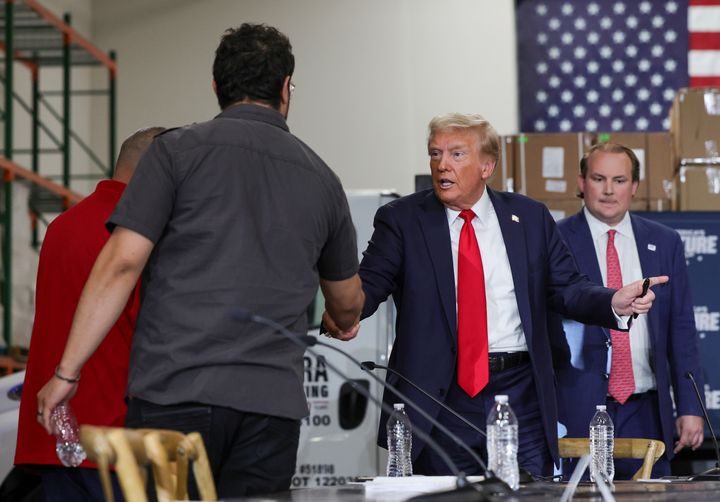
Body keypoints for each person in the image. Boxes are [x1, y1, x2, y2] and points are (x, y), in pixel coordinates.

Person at [36, 23, 364, 498]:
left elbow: (123, 264)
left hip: (176, 394)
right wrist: (344, 318)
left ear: (217, 87)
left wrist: (67, 372)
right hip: (271, 406)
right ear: (285, 88)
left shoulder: (174, 154)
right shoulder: (321, 178)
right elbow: (347, 301)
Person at [324, 113, 666, 478]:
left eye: (457, 155)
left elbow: (567, 287)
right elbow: (369, 285)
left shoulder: (529, 218)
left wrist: (612, 301)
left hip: (520, 394)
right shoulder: (403, 220)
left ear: (487, 166)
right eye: (435, 153)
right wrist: (345, 312)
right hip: (440, 398)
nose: (442, 165)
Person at [14, 127, 164, 501]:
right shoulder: (138, 234)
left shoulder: (61, 226)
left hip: (56, 433)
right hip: (117, 435)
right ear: (157, 173)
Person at [554, 142, 704, 478]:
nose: (609, 190)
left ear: (634, 187)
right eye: (598, 178)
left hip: (647, 409)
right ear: (581, 183)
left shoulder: (664, 242)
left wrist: (691, 407)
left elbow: (681, 328)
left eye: (619, 180)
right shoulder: (555, 239)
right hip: (581, 408)